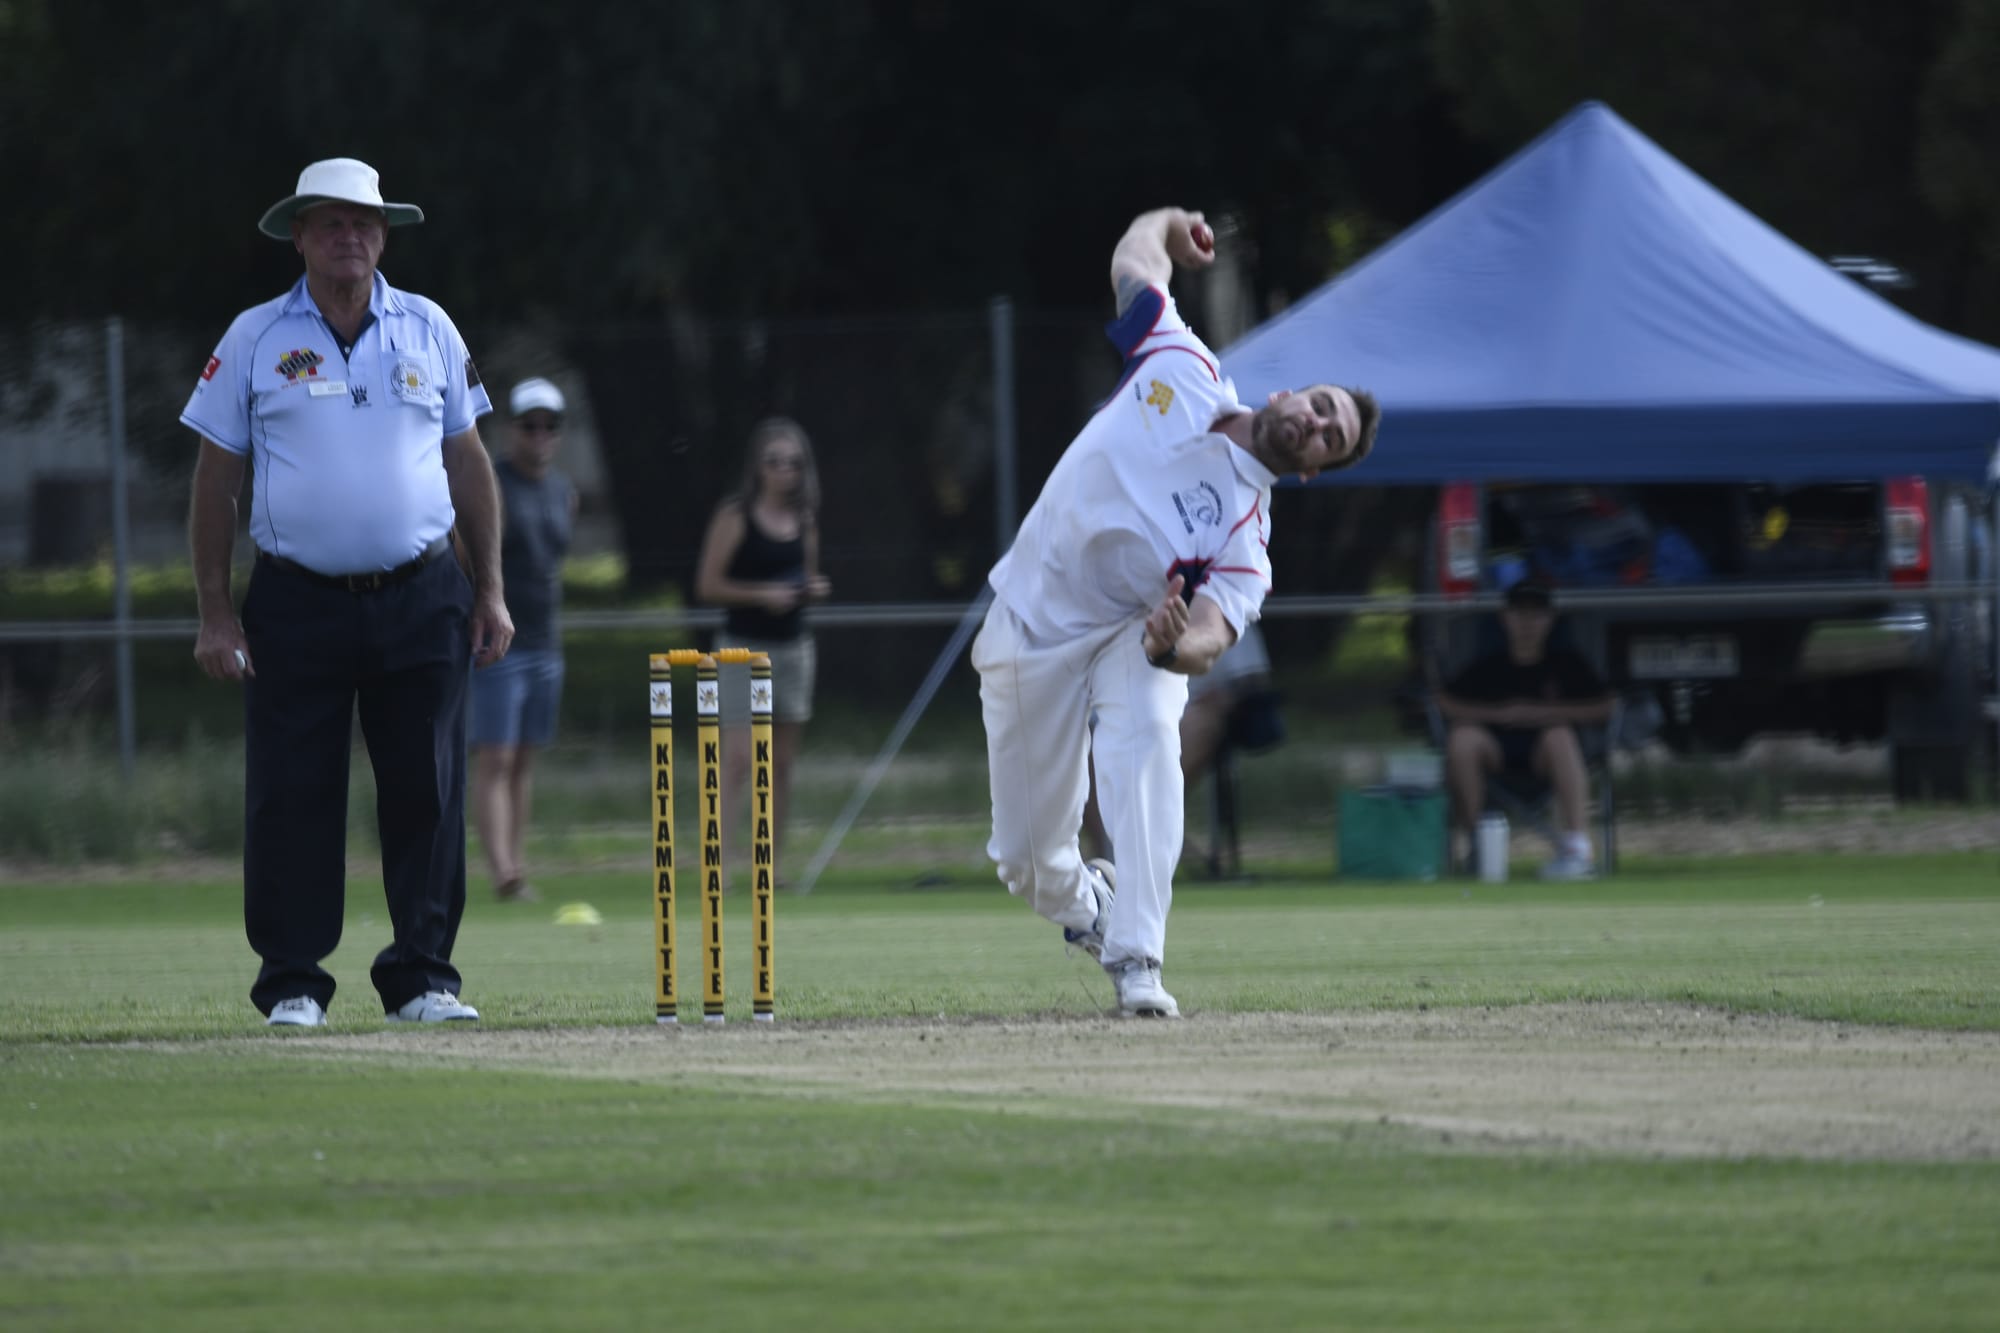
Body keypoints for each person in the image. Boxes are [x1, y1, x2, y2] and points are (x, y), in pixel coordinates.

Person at [975, 206, 1380, 1018]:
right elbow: (1133, 261)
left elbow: (1211, 635)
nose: (1315, 424)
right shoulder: (1181, 360)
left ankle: (1139, 959)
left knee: (1152, 735)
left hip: (1135, 632)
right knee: (1027, 862)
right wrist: (1170, 223)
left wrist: (1172, 646)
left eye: (1328, 439)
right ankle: (1091, 907)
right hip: (1033, 616)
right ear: (1288, 392)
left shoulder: (1247, 537)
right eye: (1321, 406)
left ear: (1310, 469)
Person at [183, 158, 510, 1027]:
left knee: (428, 789)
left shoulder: (429, 326)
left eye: (363, 223)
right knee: (292, 791)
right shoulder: (255, 335)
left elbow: (468, 462)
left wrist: (491, 589)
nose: (349, 237)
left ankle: (423, 977)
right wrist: (215, 611)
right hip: (296, 599)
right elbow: (216, 480)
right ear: (298, 235)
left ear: (383, 236)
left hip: (423, 591)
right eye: (330, 222)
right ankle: (293, 980)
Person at [694, 417, 831, 869]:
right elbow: (708, 585)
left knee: (781, 763)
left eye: (793, 463)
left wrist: (810, 589)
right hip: (741, 647)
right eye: (774, 462)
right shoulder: (736, 515)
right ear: (757, 466)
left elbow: (806, 574)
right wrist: (762, 594)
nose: (784, 471)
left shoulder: (804, 518)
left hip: (793, 648)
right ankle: (719, 860)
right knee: (737, 759)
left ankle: (767, 862)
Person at [470, 378, 578, 904]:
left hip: (546, 642)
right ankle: (502, 872)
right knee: (496, 757)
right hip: (501, 643)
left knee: (524, 759)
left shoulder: (562, 490)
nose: (539, 435)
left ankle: (518, 865)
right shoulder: (492, 484)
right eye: (529, 425)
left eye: (549, 426)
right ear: (512, 428)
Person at [1436, 577, 1613, 881]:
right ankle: (1479, 846)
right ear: (1505, 618)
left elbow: (1605, 707)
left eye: (1536, 614)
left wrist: (1543, 713)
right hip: (1496, 752)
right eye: (1520, 613)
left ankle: (1576, 849)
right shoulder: (1488, 665)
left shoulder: (1567, 663)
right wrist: (1499, 713)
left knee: (1559, 734)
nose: (1528, 623)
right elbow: (1446, 702)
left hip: (1547, 756)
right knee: (1463, 738)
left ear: (1550, 619)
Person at [1079, 620, 1278, 873]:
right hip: (1112, 723)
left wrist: (1225, 697)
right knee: (1083, 739)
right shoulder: (1110, 617)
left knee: (1190, 726)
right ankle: (1110, 862)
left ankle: (1140, 847)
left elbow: (1253, 681)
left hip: (1185, 721)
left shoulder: (1222, 613)